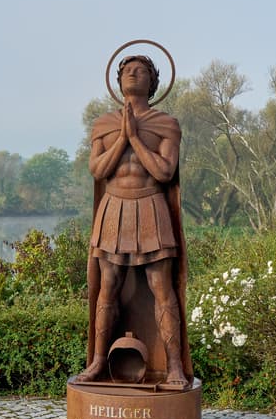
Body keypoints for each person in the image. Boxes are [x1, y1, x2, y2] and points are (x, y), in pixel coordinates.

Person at [74, 53, 190, 389]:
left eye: (140, 71)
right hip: (113, 209)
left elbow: (164, 171)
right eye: (126, 70)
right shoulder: (103, 124)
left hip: (151, 208)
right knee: (106, 287)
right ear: (118, 79)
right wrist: (123, 136)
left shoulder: (166, 124)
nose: (132, 74)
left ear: (152, 82)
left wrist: (135, 137)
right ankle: (97, 362)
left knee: (161, 289)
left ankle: (173, 368)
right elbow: (97, 170)